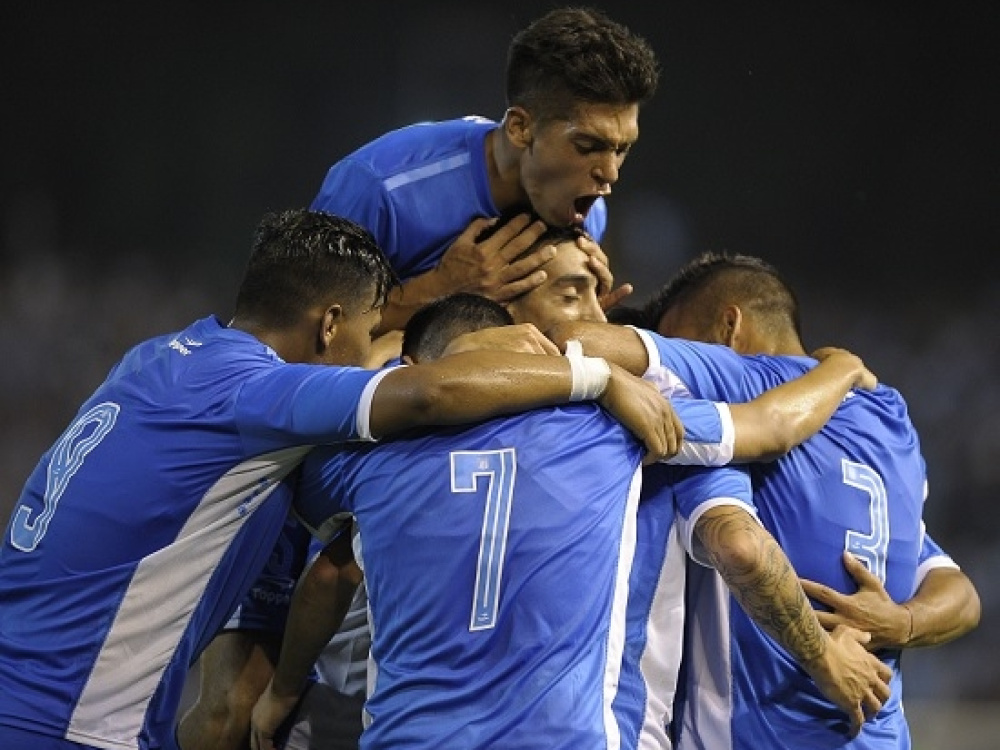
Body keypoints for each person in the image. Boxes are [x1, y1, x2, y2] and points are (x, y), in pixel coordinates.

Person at [0, 208, 688, 750]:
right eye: (369, 331)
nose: (368, 353)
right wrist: (596, 377)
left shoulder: (155, 359)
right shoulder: (256, 393)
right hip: (70, 715)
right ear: (331, 325)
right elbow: (427, 393)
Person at [248, 293, 890, 750]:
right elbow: (771, 428)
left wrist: (279, 692)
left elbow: (325, 560)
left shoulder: (365, 455)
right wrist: (839, 367)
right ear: (531, 341)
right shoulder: (620, 420)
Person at [548, 251, 981, 748]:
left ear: (729, 327)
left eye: (678, 339)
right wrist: (903, 622)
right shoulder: (889, 423)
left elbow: (572, 344)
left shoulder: (736, 376)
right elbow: (960, 595)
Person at [309, 6, 662, 333]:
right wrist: (440, 292)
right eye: (587, 146)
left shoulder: (588, 212)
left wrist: (581, 307)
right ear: (520, 128)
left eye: (622, 149)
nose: (610, 173)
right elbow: (307, 331)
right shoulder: (380, 187)